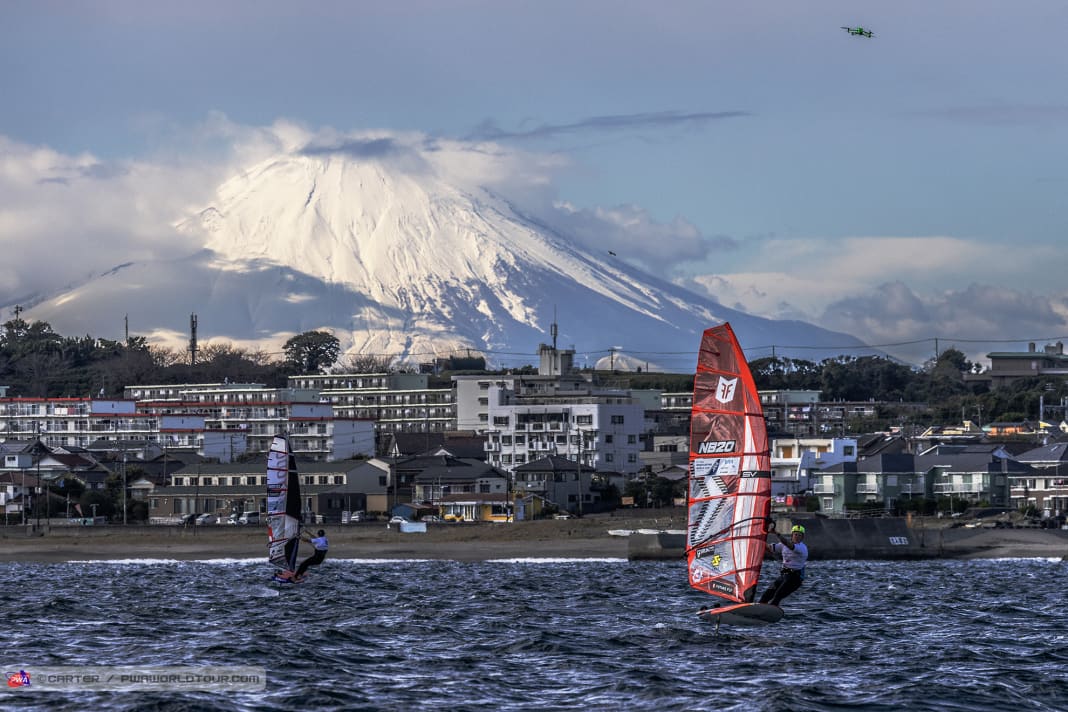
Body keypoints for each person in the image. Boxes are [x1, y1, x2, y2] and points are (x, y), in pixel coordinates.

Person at [758, 523, 809, 607]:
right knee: (765, 596)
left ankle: (771, 611)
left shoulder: (802, 548)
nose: (797, 537)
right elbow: (769, 548)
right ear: (792, 535)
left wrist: (776, 533)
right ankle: (758, 609)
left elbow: (789, 544)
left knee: (777, 597)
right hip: (783, 576)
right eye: (795, 534)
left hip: (795, 579)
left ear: (802, 537)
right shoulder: (783, 546)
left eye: (800, 535)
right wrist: (758, 540)